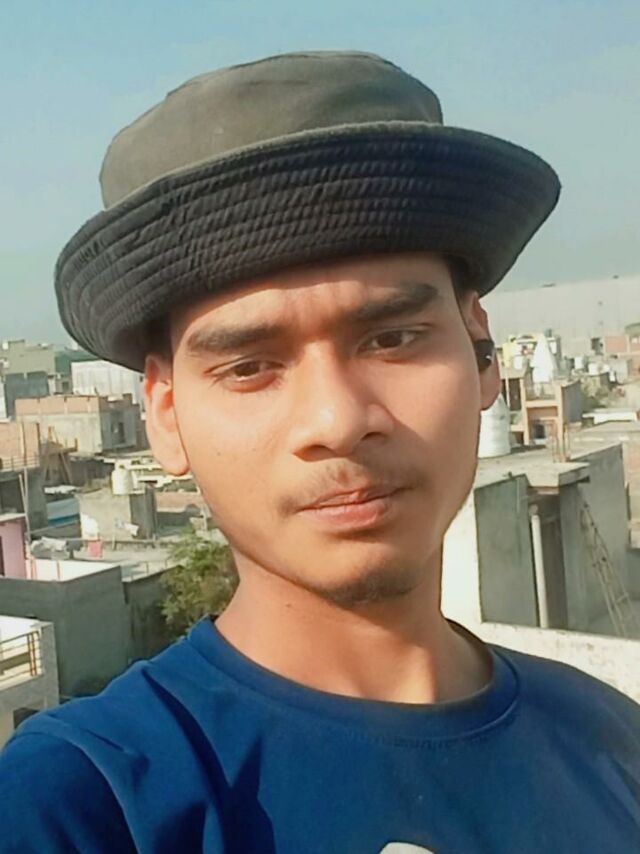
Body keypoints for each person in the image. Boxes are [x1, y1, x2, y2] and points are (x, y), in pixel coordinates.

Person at [0, 51, 638, 854]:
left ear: (482, 350)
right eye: (249, 366)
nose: (337, 421)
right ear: (164, 413)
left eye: (393, 338)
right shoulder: (80, 805)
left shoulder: (611, 741)